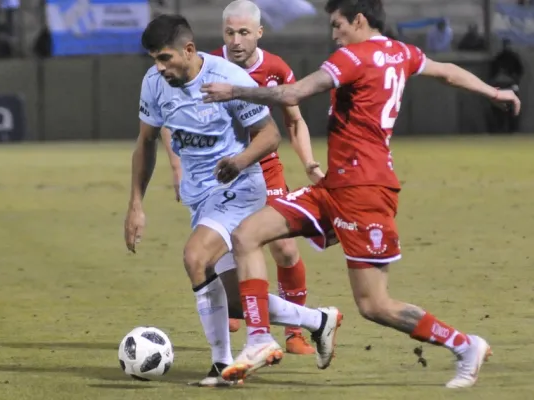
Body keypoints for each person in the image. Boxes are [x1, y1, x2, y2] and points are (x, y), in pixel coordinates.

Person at [201, 0, 520, 388]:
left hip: (364, 192)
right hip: (335, 185)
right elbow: (448, 72)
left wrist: (233, 90)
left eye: (337, 25)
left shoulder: (352, 57)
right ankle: (259, 339)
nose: (334, 35)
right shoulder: (402, 52)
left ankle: (464, 344)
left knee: (374, 305)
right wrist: (493, 91)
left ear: (359, 20)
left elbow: (293, 94)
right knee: (247, 234)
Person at [124, 14, 340, 387]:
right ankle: (318, 320)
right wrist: (135, 205)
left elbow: (270, 135)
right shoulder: (153, 84)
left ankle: (221, 366)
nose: (158, 68)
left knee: (195, 257)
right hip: (201, 198)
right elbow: (146, 142)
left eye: (164, 58)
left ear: (188, 50)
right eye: (153, 60)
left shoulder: (228, 79)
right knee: (237, 300)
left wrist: (240, 160)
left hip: (239, 188)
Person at [213, 0, 323, 354]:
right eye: (230, 32)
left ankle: (295, 331)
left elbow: (294, 121)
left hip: (265, 167)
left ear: (259, 32)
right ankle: (234, 308)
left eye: (244, 32)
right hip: (221, 170)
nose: (236, 40)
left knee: (286, 249)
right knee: (220, 244)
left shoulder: (275, 68)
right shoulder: (208, 66)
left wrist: (309, 164)